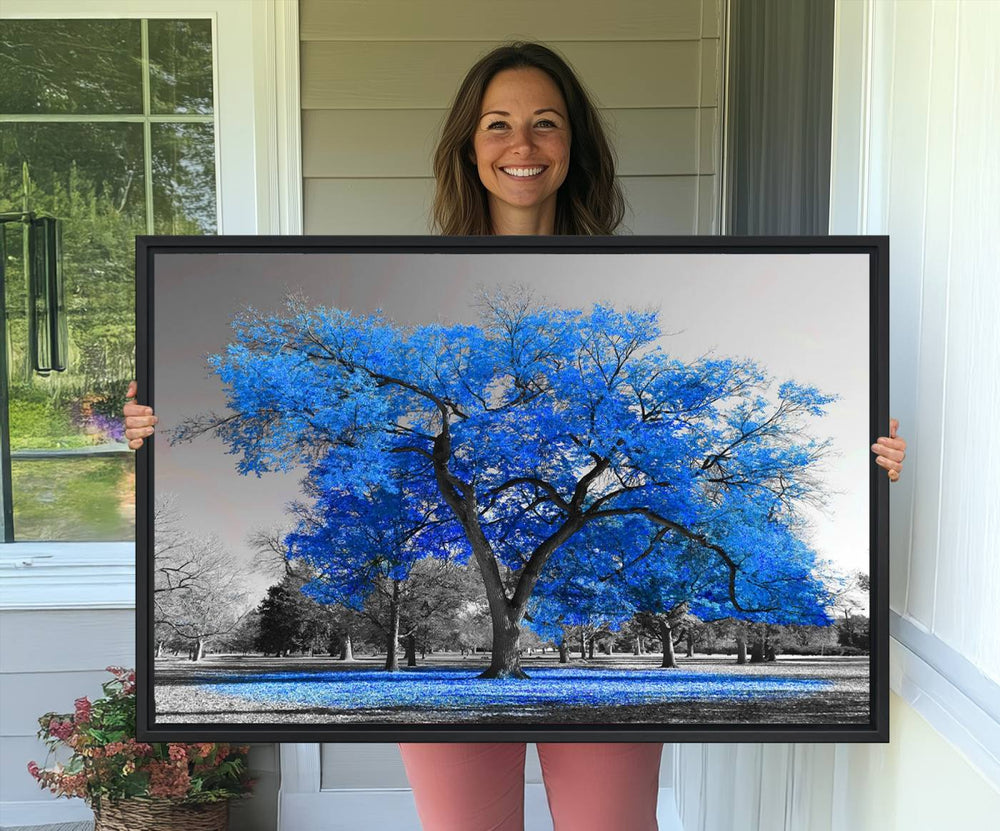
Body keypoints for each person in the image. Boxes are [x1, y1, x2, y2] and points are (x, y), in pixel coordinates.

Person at [124, 42, 906, 831]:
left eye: (545, 124)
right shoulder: (405, 277)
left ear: (574, 146)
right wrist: (153, 436)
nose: (522, 145)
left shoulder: (641, 279)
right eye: (498, 124)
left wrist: (868, 462)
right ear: (469, 144)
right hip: (459, 580)